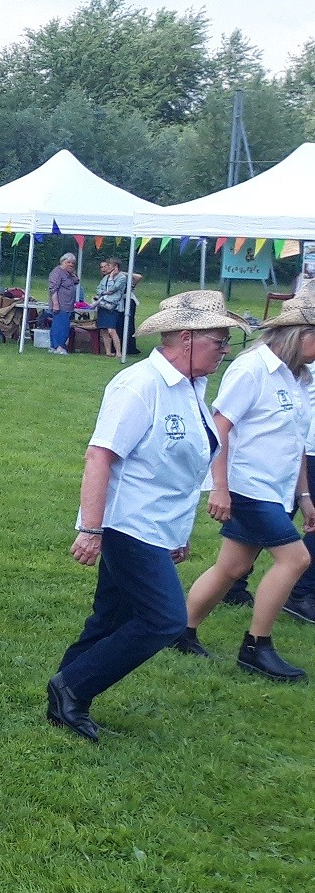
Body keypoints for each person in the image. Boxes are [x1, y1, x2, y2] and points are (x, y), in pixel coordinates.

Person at [49, 291, 245, 742]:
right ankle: (71, 688)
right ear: (186, 338)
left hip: (158, 526)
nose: (224, 350)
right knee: (165, 619)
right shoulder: (140, 385)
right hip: (128, 524)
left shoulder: (193, 387)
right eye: (219, 340)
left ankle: (65, 692)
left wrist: (179, 531)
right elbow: (100, 456)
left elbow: (181, 467)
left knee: (111, 618)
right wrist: (91, 529)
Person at [174, 291, 315, 679]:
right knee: (297, 559)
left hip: (276, 488)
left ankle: (180, 632)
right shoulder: (252, 369)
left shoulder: (297, 376)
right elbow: (220, 429)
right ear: (298, 333)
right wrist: (219, 487)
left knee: (232, 566)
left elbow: (296, 440)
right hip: (247, 486)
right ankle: (256, 647)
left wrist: (304, 496)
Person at [93, 257, 142, 358]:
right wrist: (104, 291)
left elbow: (113, 289)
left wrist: (111, 278)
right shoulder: (105, 278)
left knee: (113, 329)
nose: (106, 268)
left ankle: (120, 351)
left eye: (108, 266)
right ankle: (108, 351)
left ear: (115, 267)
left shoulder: (122, 277)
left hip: (114, 305)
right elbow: (99, 289)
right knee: (104, 330)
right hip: (103, 304)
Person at [47, 253, 81, 355]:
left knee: (63, 325)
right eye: (68, 262)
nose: (71, 265)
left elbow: (76, 281)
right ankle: (59, 346)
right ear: (62, 261)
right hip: (61, 304)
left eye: (73, 263)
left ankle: (54, 346)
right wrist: (56, 304)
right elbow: (53, 289)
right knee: (60, 326)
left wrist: (72, 272)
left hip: (68, 305)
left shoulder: (68, 273)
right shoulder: (57, 272)